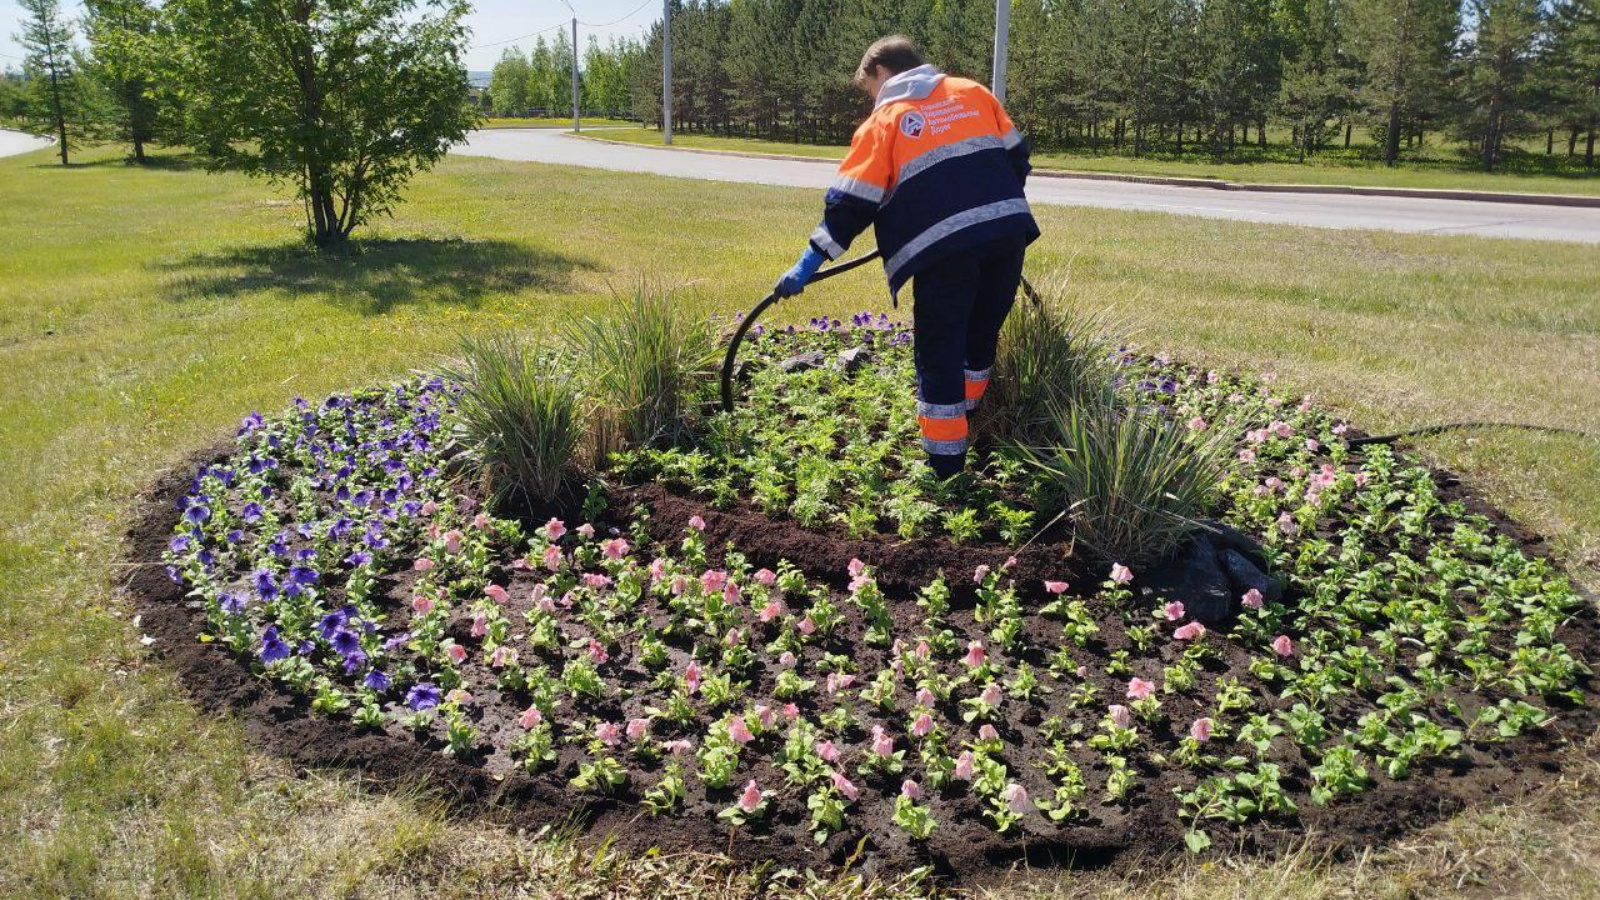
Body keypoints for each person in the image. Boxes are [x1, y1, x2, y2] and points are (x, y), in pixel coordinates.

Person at [773, 35, 1039, 480]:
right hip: (1006, 237)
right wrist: (986, 214)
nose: (870, 97)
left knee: (940, 351)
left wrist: (808, 263)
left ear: (881, 71)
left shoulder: (886, 121)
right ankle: (969, 418)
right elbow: (1017, 159)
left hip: (945, 255)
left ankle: (946, 467)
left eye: (868, 88)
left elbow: (850, 205)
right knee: (979, 337)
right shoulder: (974, 92)